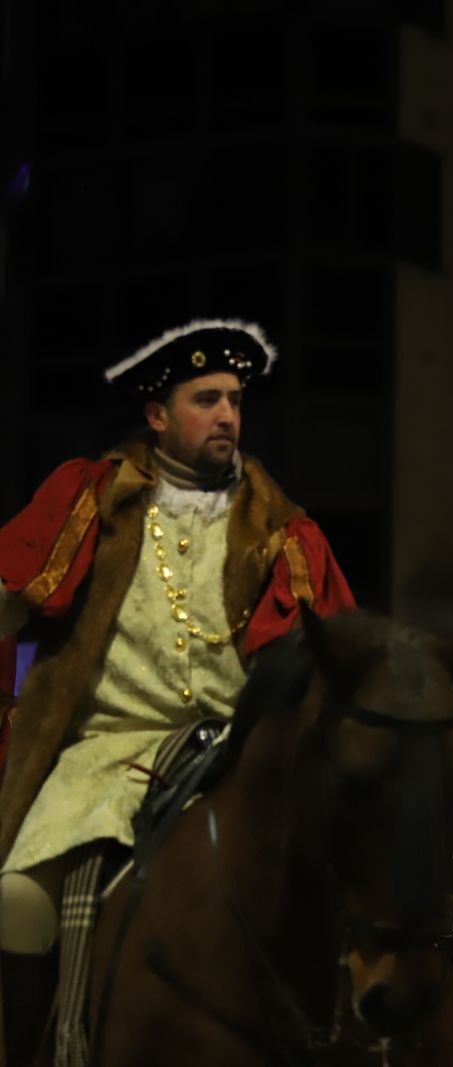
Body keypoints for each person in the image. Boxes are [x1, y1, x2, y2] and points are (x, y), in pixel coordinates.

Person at [0, 319, 355, 1060]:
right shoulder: (92, 500)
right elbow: (15, 584)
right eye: (206, 399)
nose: (228, 414)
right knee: (13, 905)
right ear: (158, 416)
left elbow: (334, 655)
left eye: (234, 398)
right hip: (102, 762)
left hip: (230, 763)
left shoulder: (284, 530)